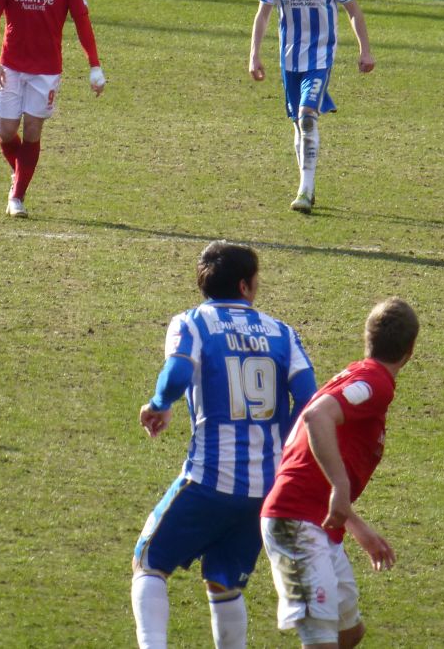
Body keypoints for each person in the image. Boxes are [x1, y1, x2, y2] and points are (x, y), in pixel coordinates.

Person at [131, 241, 317, 649]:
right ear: (246, 285)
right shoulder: (282, 333)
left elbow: (178, 370)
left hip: (209, 480)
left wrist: (160, 404)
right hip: (266, 489)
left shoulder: (193, 323)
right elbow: (308, 400)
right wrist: (280, 446)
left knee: (149, 561)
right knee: (224, 580)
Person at [260, 297, 419, 649]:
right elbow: (315, 417)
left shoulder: (359, 377)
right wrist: (341, 485)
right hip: (295, 521)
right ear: (411, 350)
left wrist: (356, 524)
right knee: (321, 642)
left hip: (320, 525)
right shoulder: (375, 384)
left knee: (349, 633)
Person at [248, 0, 374, 215]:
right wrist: (254, 54)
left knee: (307, 117)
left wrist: (365, 50)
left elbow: (353, 11)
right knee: (298, 122)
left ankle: (304, 190)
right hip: (289, 59)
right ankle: (308, 186)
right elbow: (263, 15)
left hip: (320, 57)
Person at [0, 0, 105, 219]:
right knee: (7, 131)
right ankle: (21, 171)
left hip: (46, 69)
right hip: (10, 65)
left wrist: (94, 65)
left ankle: (17, 196)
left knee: (33, 129)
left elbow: (82, 22)